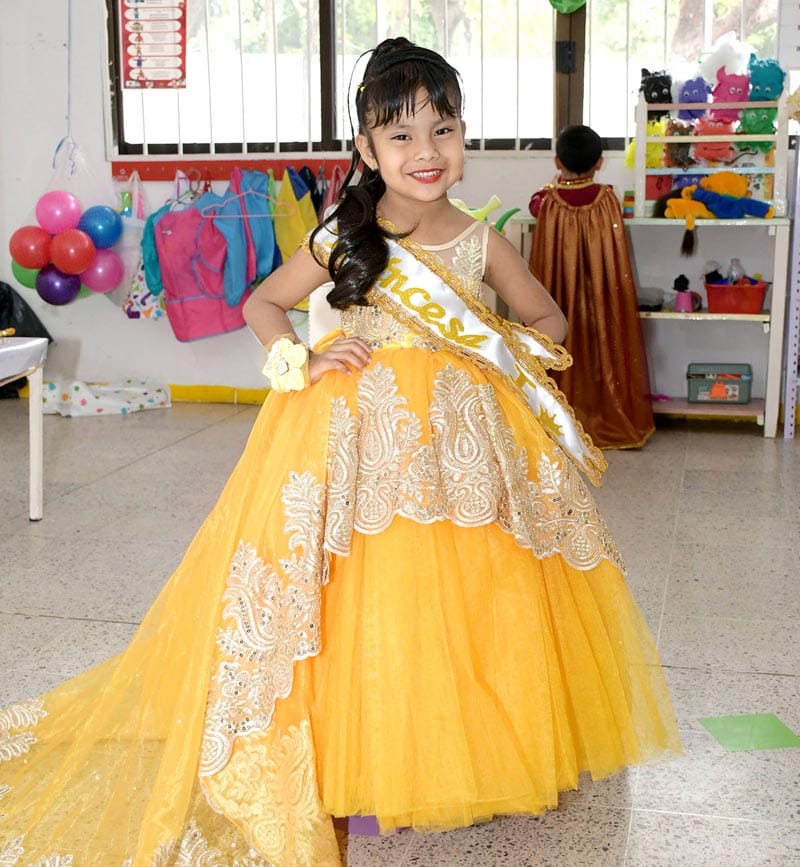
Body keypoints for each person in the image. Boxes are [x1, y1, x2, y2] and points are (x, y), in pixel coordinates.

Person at [0, 40, 679, 866]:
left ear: (464, 136)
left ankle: (466, 747)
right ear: (367, 148)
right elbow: (262, 303)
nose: (426, 151)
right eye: (401, 135)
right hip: (356, 442)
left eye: (443, 129)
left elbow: (550, 322)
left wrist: (488, 352)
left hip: (462, 449)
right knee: (361, 595)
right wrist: (304, 357)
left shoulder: (483, 240)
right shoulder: (343, 235)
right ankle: (362, 747)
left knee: (474, 595)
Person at [528, 124, 656, 449]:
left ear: (557, 161)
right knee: (603, 347)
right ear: (599, 162)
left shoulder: (547, 201)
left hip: (559, 295)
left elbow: (534, 207)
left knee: (560, 341)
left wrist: (552, 185)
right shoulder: (607, 198)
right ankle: (609, 413)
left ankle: (556, 418)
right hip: (601, 295)